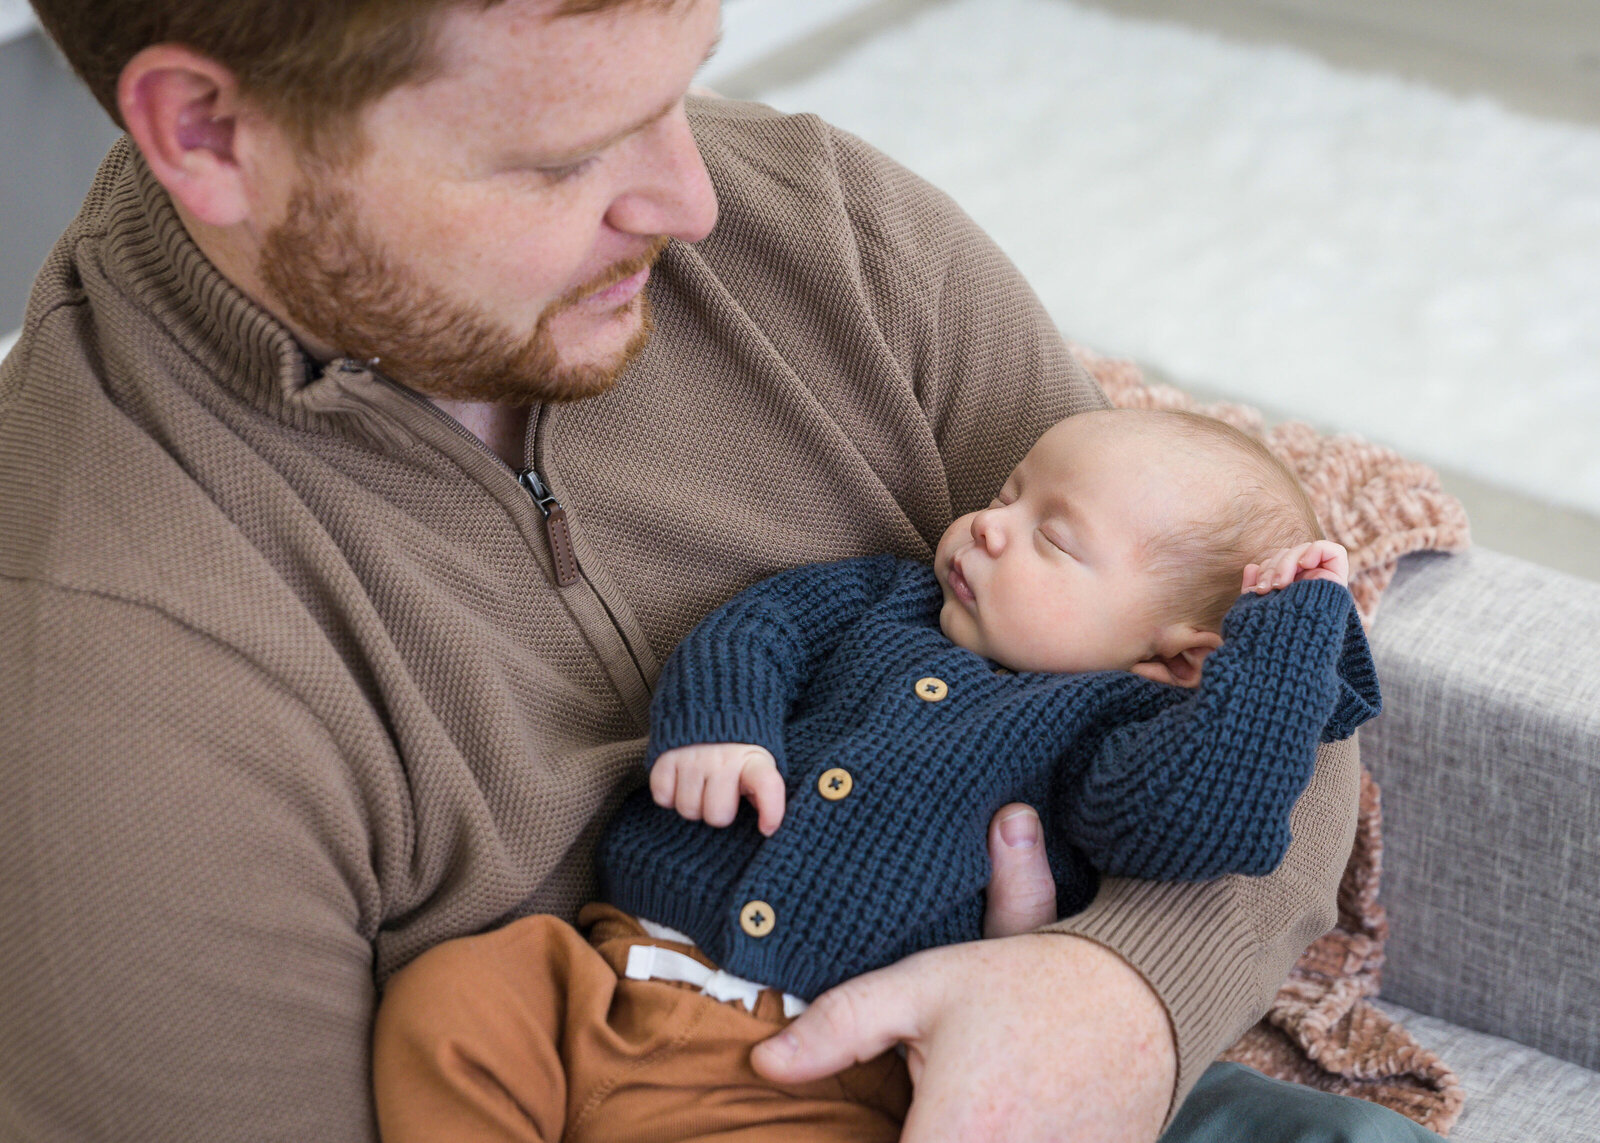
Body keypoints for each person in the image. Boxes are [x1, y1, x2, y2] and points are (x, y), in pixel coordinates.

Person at [0, 0, 1439, 1138]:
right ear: (207, 130)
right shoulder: (101, 682)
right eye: (565, 154)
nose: (693, 204)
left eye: (683, 82)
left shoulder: (832, 236)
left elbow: (1252, 662)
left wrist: (1121, 997)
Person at [371, 407, 1383, 1141]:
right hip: (603, 976)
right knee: (450, 999)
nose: (990, 525)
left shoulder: (1112, 728)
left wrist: (1284, 648)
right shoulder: (879, 603)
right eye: (1005, 496)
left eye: (1054, 539)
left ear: (1173, 657)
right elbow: (759, 629)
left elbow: (1202, 820)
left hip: (816, 1076)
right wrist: (718, 725)